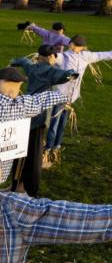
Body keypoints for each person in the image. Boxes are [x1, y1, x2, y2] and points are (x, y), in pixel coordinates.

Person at [8, 45, 77, 196]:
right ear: (50, 57)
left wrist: (14, 62)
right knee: (34, 151)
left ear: (39, 57)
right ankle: (30, 188)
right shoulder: (51, 71)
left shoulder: (32, 68)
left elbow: (23, 61)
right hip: (39, 116)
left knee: (20, 148)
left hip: (25, 111)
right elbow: (66, 75)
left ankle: (16, 183)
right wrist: (72, 74)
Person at [43, 35, 112, 166]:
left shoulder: (86, 56)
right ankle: (47, 152)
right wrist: (50, 55)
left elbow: (104, 55)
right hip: (59, 96)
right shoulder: (64, 56)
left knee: (62, 124)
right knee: (54, 124)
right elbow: (55, 57)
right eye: (74, 44)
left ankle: (56, 148)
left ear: (81, 47)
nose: (74, 46)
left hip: (71, 98)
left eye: (77, 45)